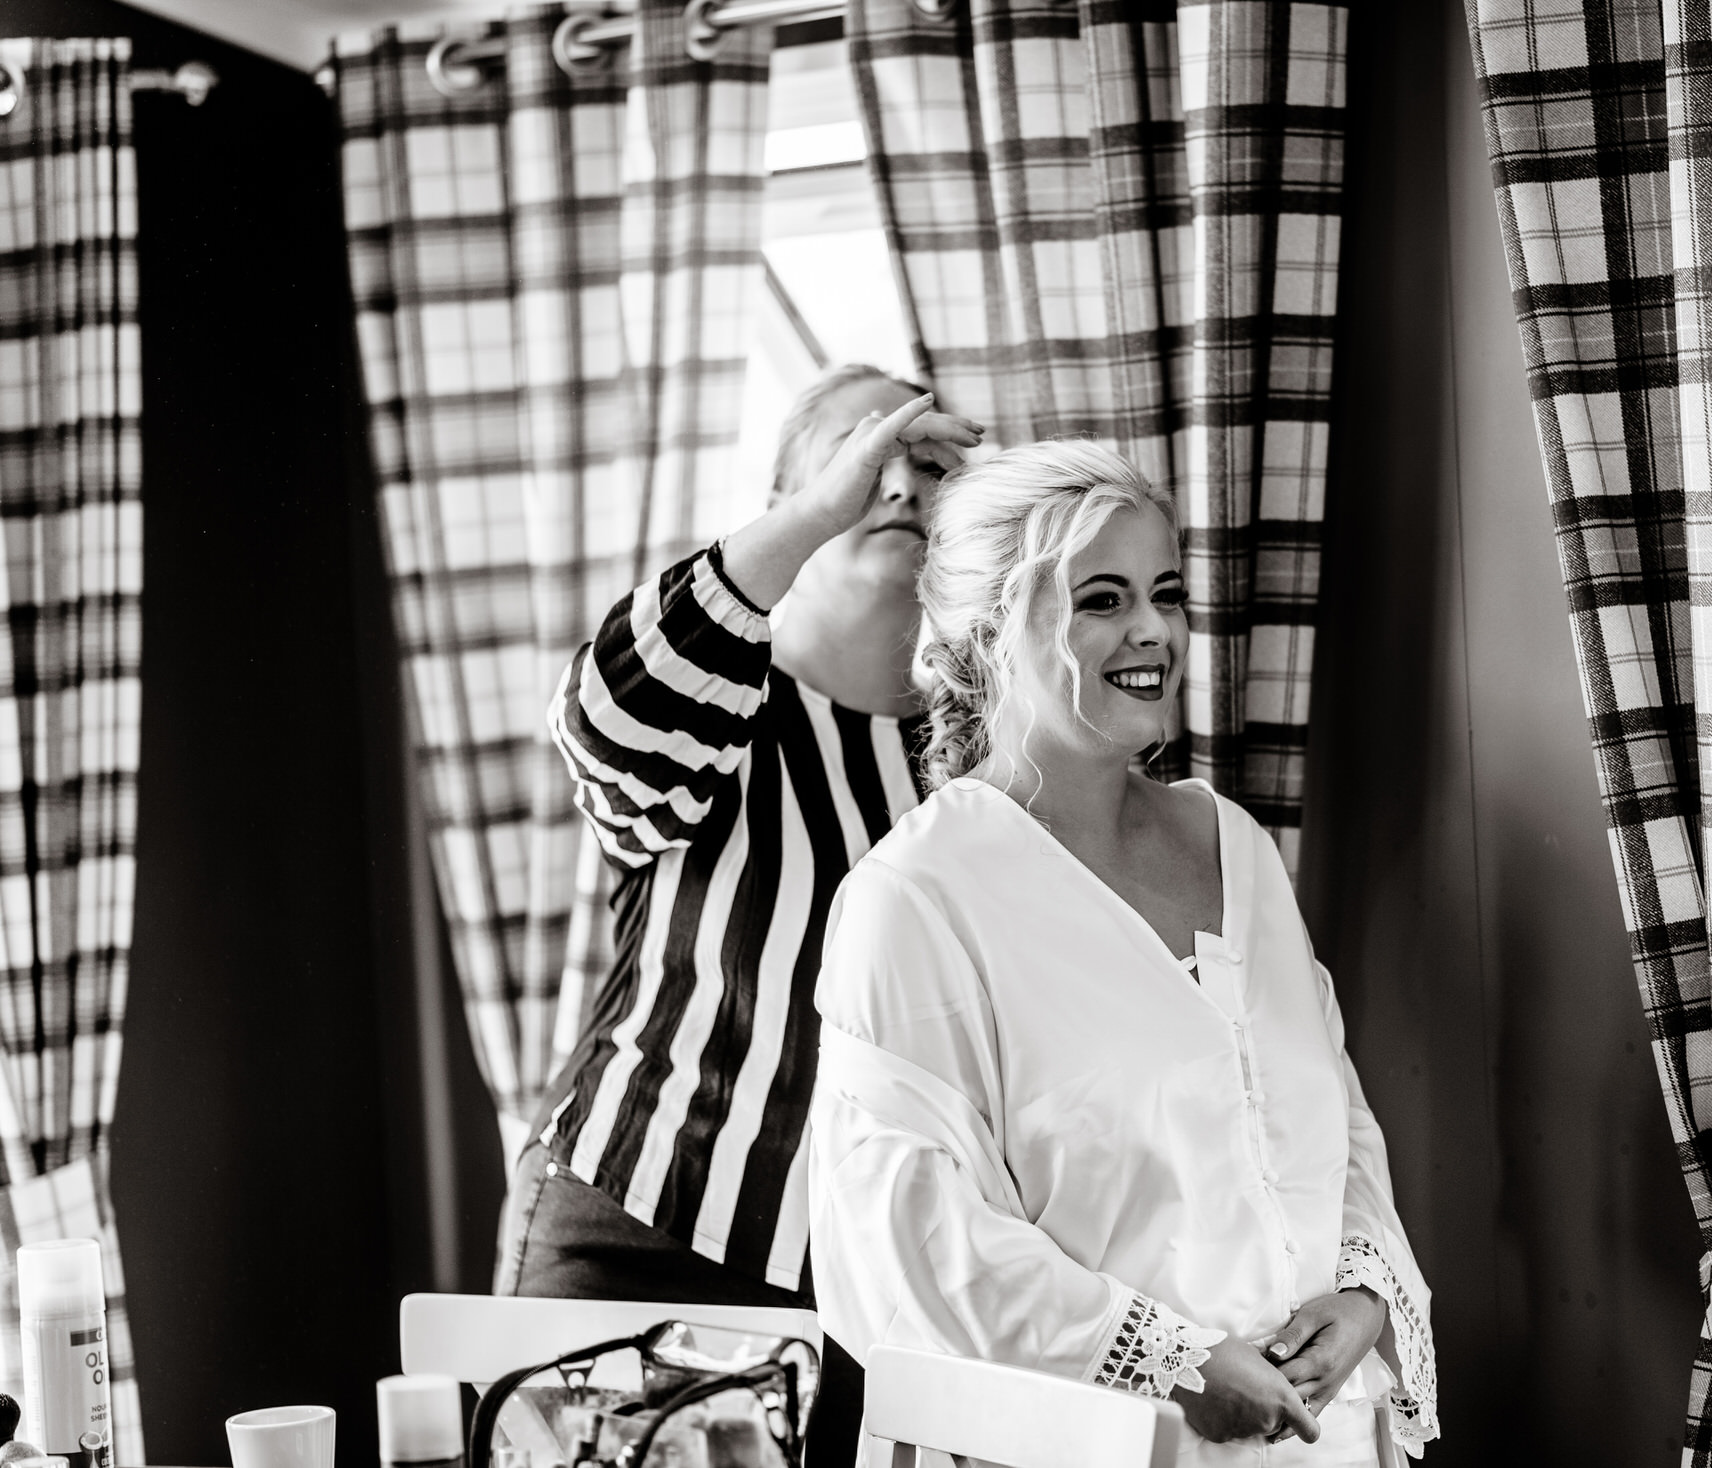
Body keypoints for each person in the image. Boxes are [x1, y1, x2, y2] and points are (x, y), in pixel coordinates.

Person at [806, 441, 1439, 1462]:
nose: (1152, 631)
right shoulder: (915, 900)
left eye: (1166, 592)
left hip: (1325, 1442)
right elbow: (904, 1247)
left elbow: (1328, 1117)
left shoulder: (1232, 843)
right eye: (1099, 599)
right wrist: (1166, 1360)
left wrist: (1363, 1286)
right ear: (986, 633)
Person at [495, 364, 985, 1466]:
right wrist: (819, 511)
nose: (897, 482)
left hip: (890, 1283)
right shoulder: (723, 705)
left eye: (933, 465)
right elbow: (600, 719)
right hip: (647, 1227)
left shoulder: (989, 758)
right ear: (781, 499)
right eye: (862, 453)